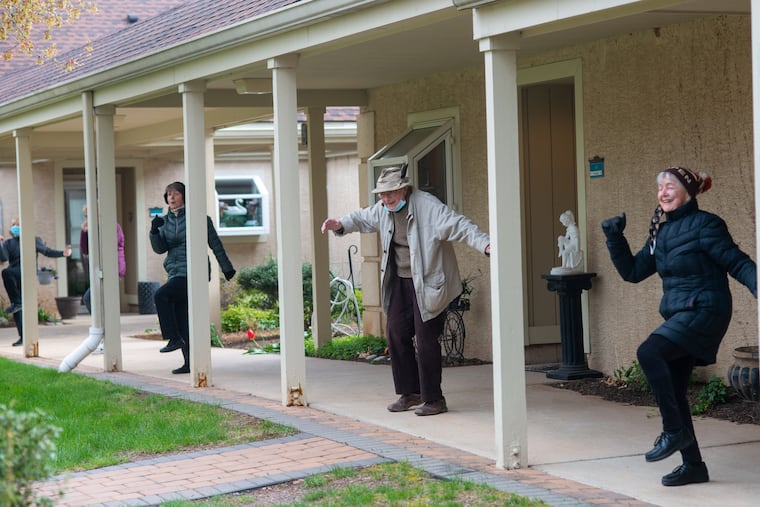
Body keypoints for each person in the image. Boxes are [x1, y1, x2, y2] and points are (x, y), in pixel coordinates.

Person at [601, 166, 757, 487]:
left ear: (688, 191)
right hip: (680, 315)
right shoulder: (662, 233)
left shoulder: (706, 224)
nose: (664, 193)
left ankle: (673, 431)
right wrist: (615, 237)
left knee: (650, 352)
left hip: (706, 308)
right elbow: (633, 271)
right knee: (673, 385)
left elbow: (737, 262)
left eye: (670, 186)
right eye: (660, 188)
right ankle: (694, 465)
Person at [321, 165, 491, 416]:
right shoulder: (383, 209)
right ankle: (410, 393)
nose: (386, 199)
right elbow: (361, 217)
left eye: (391, 193)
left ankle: (434, 399)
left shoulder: (428, 207)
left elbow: (460, 225)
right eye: (382, 194)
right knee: (396, 334)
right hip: (400, 281)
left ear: (404, 189)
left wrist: (486, 244)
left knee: (425, 341)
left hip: (430, 283)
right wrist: (340, 224)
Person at [149, 181, 236, 374]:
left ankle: (173, 338)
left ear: (184, 196)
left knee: (160, 296)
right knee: (182, 319)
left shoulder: (199, 219)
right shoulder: (164, 221)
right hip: (175, 273)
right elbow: (160, 248)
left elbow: (216, 245)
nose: (171, 197)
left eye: (175, 194)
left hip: (193, 273)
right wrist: (154, 231)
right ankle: (189, 362)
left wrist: (226, 268)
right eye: (168, 194)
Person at [0, 217, 72, 346]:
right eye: (13, 225)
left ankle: (16, 303)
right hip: (15, 273)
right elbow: (4, 258)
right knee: (18, 307)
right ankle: (23, 337)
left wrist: (63, 253)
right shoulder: (8, 243)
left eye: (18, 224)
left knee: (6, 273)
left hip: (27, 272)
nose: (15, 226)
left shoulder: (33, 240)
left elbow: (47, 251)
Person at [80, 205, 127, 314]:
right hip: (100, 270)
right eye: (85, 216)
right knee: (91, 299)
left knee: (91, 298)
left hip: (113, 269)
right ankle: (101, 324)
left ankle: (104, 325)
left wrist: (94, 230)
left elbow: (108, 246)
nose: (87, 219)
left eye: (89, 216)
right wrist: (84, 233)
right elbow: (85, 250)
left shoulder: (114, 227)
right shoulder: (92, 229)